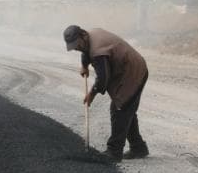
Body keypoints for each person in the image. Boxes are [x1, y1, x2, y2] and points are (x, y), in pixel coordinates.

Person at [63, 25, 149, 161]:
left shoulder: (98, 51)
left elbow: (103, 79)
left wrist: (91, 94)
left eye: (76, 45)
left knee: (119, 109)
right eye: (73, 47)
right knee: (126, 109)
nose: (76, 48)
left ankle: (114, 152)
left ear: (83, 35)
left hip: (133, 72)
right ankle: (138, 148)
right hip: (127, 68)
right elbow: (85, 51)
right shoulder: (89, 38)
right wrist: (84, 66)